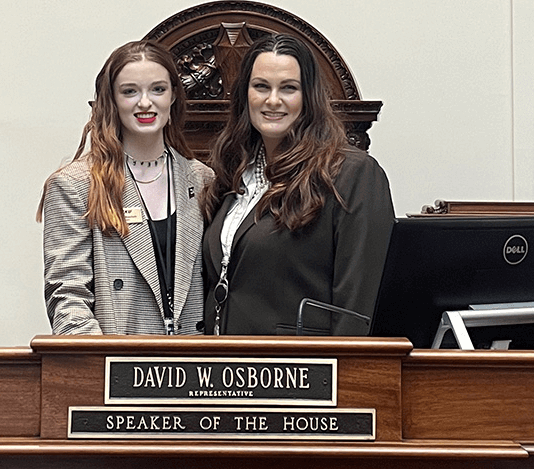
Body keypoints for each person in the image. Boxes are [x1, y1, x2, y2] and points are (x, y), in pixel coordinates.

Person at [200, 34, 394, 336]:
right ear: (245, 95)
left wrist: (345, 376)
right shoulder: (231, 173)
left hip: (300, 370)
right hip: (225, 368)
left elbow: (356, 307)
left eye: (288, 88)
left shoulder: (352, 173)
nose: (273, 100)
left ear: (309, 97)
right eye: (261, 86)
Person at [40, 41, 213, 335]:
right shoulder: (74, 185)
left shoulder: (202, 179)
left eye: (157, 89)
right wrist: (102, 365)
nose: (145, 103)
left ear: (173, 96)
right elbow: (67, 295)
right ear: (112, 100)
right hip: (117, 365)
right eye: (130, 91)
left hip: (193, 367)